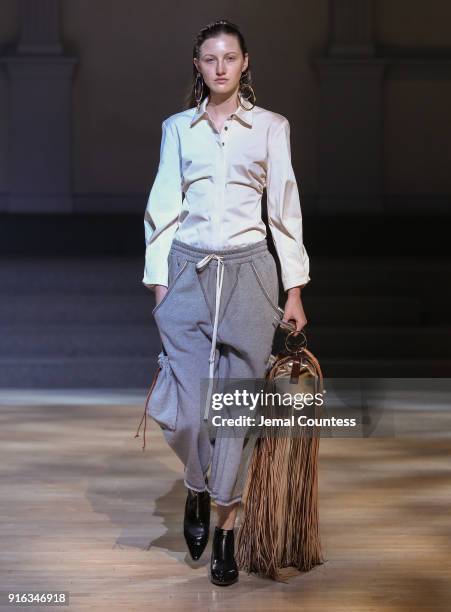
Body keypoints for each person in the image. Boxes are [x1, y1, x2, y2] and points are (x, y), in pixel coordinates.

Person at [142, 19, 310, 586]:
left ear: (244, 64)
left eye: (229, 58)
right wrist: (161, 285)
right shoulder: (178, 129)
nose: (220, 67)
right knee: (189, 413)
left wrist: (294, 289)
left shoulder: (270, 128)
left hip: (251, 273)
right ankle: (197, 485)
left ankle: (227, 528)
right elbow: (163, 205)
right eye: (210, 58)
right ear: (198, 65)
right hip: (188, 270)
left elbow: (284, 211)